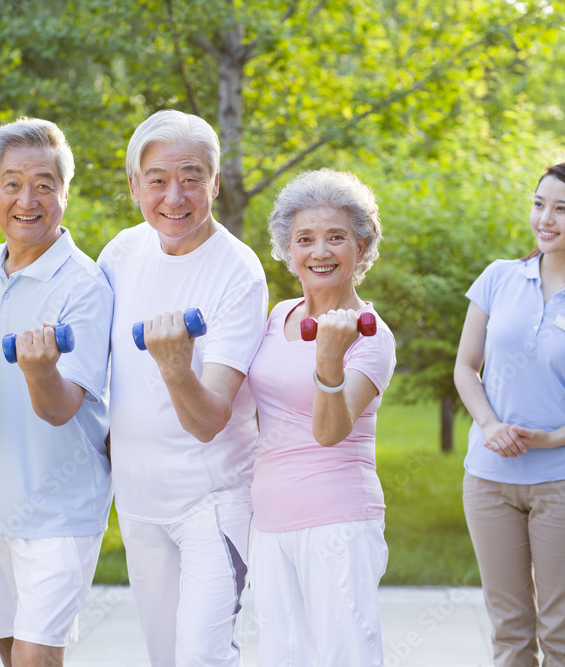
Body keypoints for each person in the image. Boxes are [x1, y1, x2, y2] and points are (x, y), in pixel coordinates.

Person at [97, 109, 268, 666]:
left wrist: (175, 366)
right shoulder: (120, 254)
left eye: (192, 177)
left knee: (203, 657)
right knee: (165, 657)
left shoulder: (238, 273)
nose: (175, 196)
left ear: (214, 183)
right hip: (140, 501)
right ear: (133, 185)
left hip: (212, 503)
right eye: (158, 180)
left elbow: (209, 417)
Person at [453, 161, 565, 665]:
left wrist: (550, 439)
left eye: (562, 208)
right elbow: (466, 368)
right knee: (510, 634)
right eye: (539, 204)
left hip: (564, 483)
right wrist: (489, 426)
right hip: (488, 479)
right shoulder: (498, 278)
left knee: (561, 636)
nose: (545, 219)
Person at [0, 118, 114, 666]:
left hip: (59, 511)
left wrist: (40, 370)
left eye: (44, 184)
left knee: (34, 661)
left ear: (64, 195)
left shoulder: (85, 287)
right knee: (10, 657)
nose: (27, 199)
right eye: (12, 183)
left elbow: (61, 407)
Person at [246, 168, 396, 665]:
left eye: (336, 237)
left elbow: (331, 431)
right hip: (268, 520)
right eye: (305, 239)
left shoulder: (371, 336)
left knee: (344, 657)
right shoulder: (276, 316)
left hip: (338, 521)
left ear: (362, 245)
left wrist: (329, 357)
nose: (320, 251)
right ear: (288, 251)